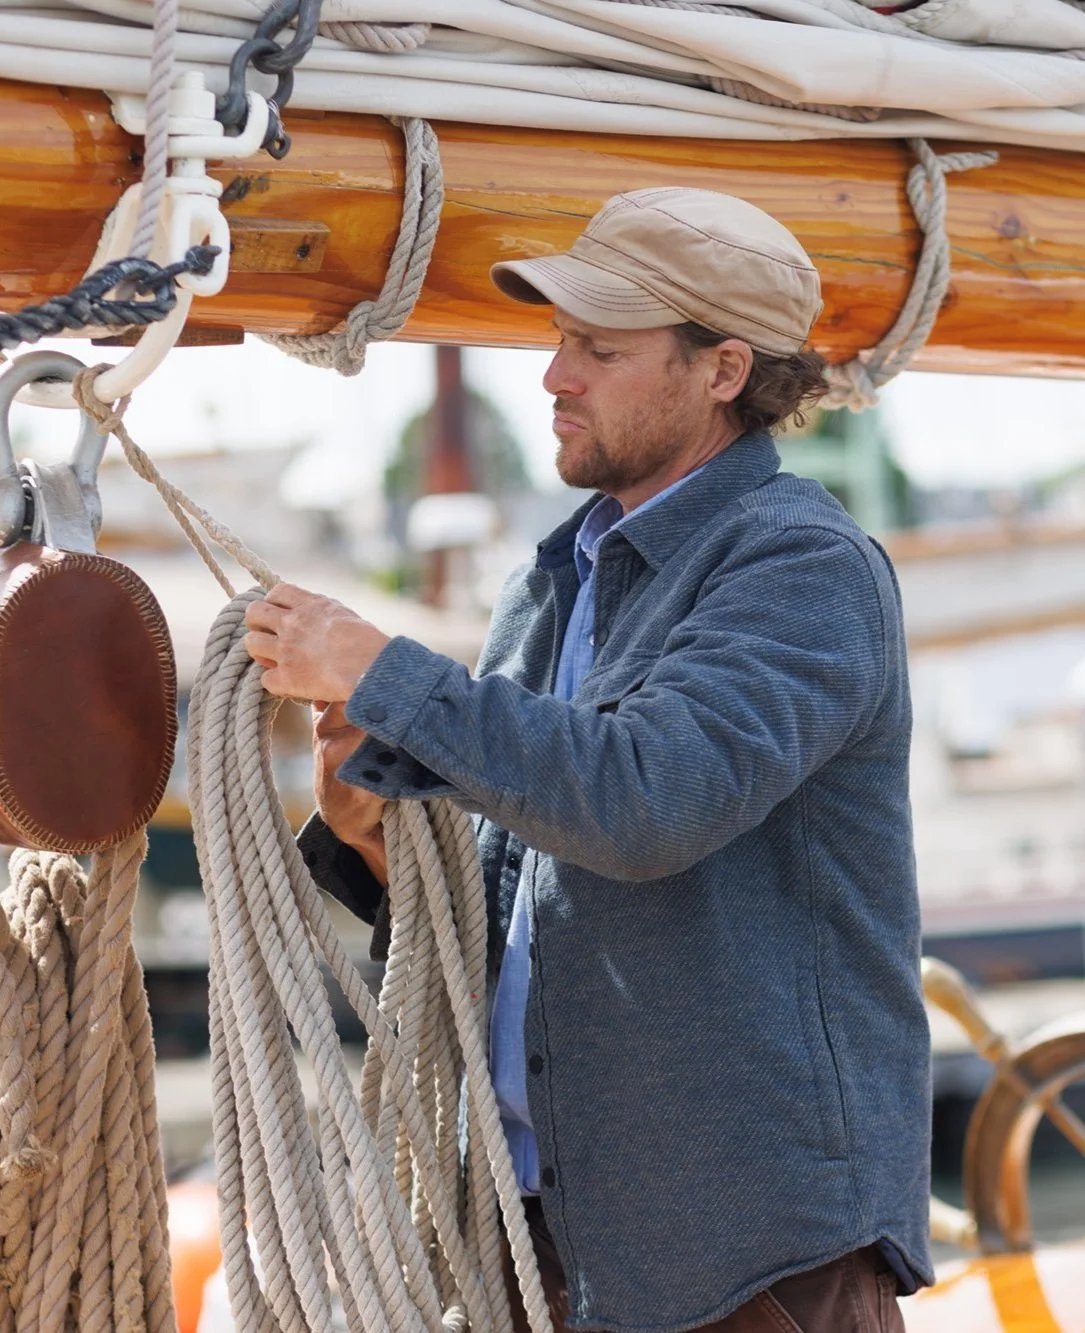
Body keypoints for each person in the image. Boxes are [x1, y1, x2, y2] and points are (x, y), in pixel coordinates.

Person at [242, 187, 932, 1333]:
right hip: (540, 1246)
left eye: (601, 350)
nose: (555, 377)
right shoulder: (550, 584)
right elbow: (520, 899)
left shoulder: (803, 565)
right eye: (563, 341)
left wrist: (387, 675)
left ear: (722, 371)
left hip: (745, 1264)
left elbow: (646, 801)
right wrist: (375, 837)